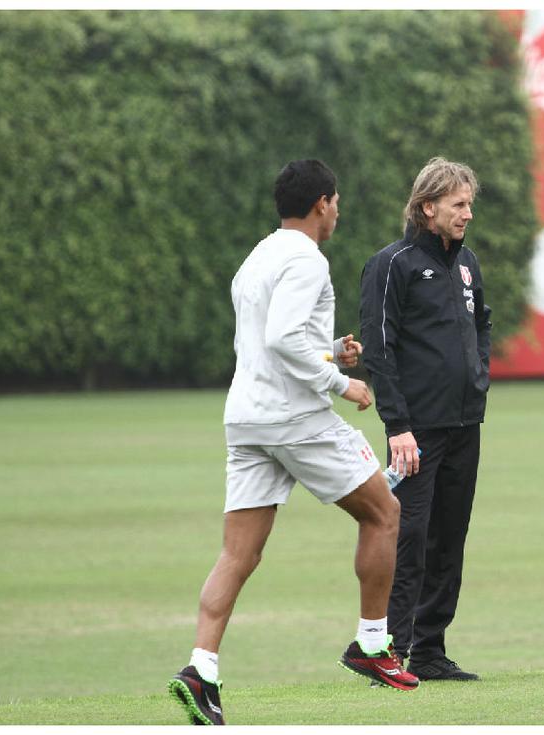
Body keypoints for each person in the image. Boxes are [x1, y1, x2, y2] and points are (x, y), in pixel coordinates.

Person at [168, 159, 418, 726]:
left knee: (238, 553)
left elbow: (274, 340)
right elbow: (282, 338)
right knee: (385, 512)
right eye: (337, 202)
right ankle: (373, 644)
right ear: (322, 203)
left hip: (247, 419)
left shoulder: (257, 256)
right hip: (294, 418)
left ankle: (200, 669)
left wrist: (331, 349)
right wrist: (342, 381)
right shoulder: (308, 259)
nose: (338, 212)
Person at [358, 157, 491, 681]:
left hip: (465, 424)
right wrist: (397, 426)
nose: (468, 214)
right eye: (459, 205)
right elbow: (379, 348)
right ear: (427, 206)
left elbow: (482, 324)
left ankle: (430, 651)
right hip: (415, 431)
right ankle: (386, 649)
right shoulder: (392, 263)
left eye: (469, 204)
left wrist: (478, 374)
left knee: (449, 537)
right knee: (408, 535)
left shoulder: (467, 263)